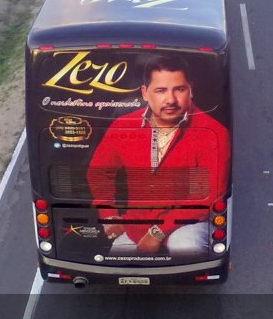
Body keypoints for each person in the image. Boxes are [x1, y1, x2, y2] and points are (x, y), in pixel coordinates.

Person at [86, 55, 230, 255]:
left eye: (179, 89)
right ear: (145, 93)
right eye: (161, 91)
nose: (170, 100)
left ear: (191, 89)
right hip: (137, 226)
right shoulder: (123, 126)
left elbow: (209, 196)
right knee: (118, 263)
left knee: (184, 246)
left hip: (188, 224)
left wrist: (158, 231)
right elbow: (99, 172)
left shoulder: (213, 133)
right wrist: (109, 214)